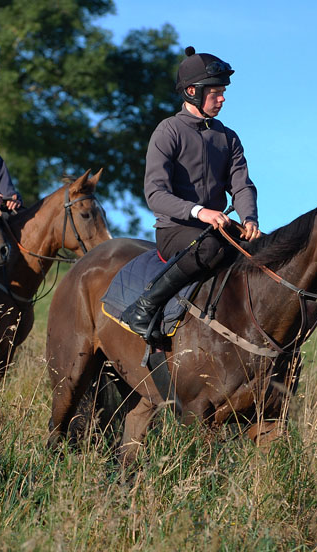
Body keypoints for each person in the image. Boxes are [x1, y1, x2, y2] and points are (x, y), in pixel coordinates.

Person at [120, 46, 262, 341]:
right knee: (210, 247)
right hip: (176, 230)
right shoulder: (167, 132)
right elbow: (155, 194)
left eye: (223, 92)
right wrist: (201, 212)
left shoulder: (228, 137)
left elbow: (242, 185)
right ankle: (144, 307)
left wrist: (249, 219)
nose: (222, 99)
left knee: (260, 254)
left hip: (217, 230)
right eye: (215, 92)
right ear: (191, 92)